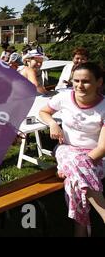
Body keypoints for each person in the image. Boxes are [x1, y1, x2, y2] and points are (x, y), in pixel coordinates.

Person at [39, 62, 105, 237]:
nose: (79, 85)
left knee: (74, 181)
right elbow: (44, 112)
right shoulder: (64, 97)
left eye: (86, 81)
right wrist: (53, 123)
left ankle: (80, 230)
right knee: (72, 160)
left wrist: (74, 168)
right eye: (76, 80)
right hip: (66, 150)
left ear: (99, 82)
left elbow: (102, 148)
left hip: (96, 158)